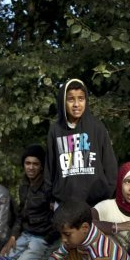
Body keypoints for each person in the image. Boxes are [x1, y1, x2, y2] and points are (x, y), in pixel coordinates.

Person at [44, 78, 118, 207]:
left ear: (86, 101)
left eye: (81, 99)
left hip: (96, 203)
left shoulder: (97, 127)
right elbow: (50, 167)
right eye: (71, 99)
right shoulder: (55, 130)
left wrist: (106, 195)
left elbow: (110, 165)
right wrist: (50, 198)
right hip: (64, 204)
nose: (76, 104)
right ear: (63, 102)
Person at [0, 144, 59, 260]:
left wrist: (47, 239)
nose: (31, 167)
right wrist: (13, 236)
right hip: (25, 235)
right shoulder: (23, 187)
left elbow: (58, 217)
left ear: (41, 166)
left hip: (41, 239)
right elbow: (21, 215)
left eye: (35, 164)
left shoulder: (49, 187)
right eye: (28, 163)